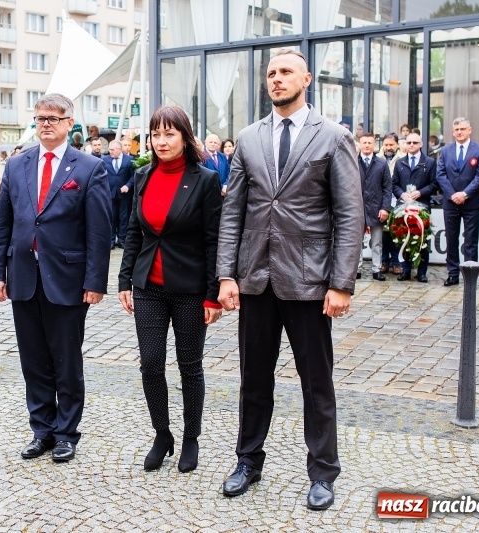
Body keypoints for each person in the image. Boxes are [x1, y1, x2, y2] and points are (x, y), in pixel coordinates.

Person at [215, 48, 363, 510]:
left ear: (307, 79)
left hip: (310, 281)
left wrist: (341, 283)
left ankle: (323, 472)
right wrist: (226, 275)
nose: (276, 79)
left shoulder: (333, 137)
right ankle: (248, 461)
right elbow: (233, 212)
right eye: (271, 74)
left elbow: (349, 212)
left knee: (316, 381)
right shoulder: (248, 138)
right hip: (255, 278)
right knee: (252, 379)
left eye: (285, 72)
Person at [0, 93, 112, 463]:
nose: (46, 124)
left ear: (69, 123)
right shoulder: (17, 165)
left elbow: (99, 232)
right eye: (40, 118)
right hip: (24, 276)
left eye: (54, 119)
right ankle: (41, 430)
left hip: (68, 280)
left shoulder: (88, 168)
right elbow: (2, 224)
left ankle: (66, 433)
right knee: (34, 360)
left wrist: (94, 282)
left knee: (66, 360)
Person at [118, 106, 223, 474]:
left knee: (190, 367)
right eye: (155, 134)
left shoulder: (205, 180)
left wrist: (213, 293)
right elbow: (134, 232)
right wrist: (124, 279)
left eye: (169, 134)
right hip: (149, 286)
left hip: (191, 289)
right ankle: (162, 435)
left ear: (184, 136)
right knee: (150, 364)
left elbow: (215, 241)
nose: (161, 142)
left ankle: (191, 438)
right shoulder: (143, 175)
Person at [436, 117, 479, 286]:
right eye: (456, 129)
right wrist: (452, 195)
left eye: (463, 129)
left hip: (471, 202)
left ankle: (469, 275)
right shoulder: (445, 151)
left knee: (471, 240)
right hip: (450, 202)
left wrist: (464, 194)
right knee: (451, 238)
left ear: (469, 130)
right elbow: (441, 175)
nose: (459, 132)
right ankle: (452, 273)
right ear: (453, 132)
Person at [392, 132, 438, 282]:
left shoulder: (430, 162)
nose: (411, 145)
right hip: (403, 206)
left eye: (415, 142)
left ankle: (422, 272)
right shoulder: (400, 163)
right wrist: (401, 194)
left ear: (421, 144)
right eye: (409, 142)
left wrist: (421, 192)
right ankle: (405, 270)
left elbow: (434, 184)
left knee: (422, 238)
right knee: (404, 236)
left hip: (422, 206)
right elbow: (394, 184)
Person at [357, 132, 392, 281]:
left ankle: (377, 269)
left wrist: (385, 208)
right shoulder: (352, 161)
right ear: (359, 144)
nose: (366, 145)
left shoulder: (382, 164)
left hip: (377, 208)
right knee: (355, 242)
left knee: (377, 241)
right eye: (364, 142)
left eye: (369, 143)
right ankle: (356, 269)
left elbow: (387, 188)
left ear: (374, 145)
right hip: (357, 208)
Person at [376, 133, 404, 275]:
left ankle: (396, 262)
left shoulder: (402, 159)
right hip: (381, 201)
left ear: (397, 145)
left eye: (391, 145)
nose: (388, 147)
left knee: (396, 232)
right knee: (383, 234)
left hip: (398, 200)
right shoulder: (378, 158)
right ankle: (384, 261)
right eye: (386, 144)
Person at [102, 140, 135, 249]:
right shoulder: (104, 160)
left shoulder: (129, 160)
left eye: (113, 149)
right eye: (109, 149)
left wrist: (128, 185)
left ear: (120, 149)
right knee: (111, 217)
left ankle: (122, 240)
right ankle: (111, 240)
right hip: (110, 193)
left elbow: (134, 175)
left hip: (124, 194)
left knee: (124, 217)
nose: (110, 151)